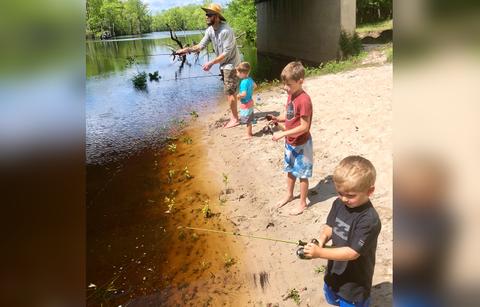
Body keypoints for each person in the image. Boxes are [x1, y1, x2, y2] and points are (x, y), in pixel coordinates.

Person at [304, 156, 382, 307]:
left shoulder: (369, 220)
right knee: (331, 298)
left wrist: (319, 253)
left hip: (355, 282)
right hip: (335, 271)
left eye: (351, 196)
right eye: (340, 193)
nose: (344, 199)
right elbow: (330, 226)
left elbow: (352, 253)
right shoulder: (338, 203)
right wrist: (321, 240)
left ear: (370, 191)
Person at [175, 3, 241, 128]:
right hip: (223, 64)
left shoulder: (226, 31)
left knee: (230, 92)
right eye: (206, 14)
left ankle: (235, 119)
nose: (206, 17)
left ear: (216, 16)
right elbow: (200, 46)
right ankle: (235, 115)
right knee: (229, 91)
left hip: (231, 64)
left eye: (209, 14)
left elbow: (226, 54)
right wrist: (186, 50)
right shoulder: (210, 30)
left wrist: (211, 63)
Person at [270, 61, 313, 215]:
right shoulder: (291, 95)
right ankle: (289, 194)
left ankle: (302, 203)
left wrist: (282, 133)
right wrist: (276, 119)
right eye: (284, 84)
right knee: (290, 170)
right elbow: (288, 116)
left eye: (288, 84)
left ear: (300, 81)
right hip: (290, 142)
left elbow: (304, 127)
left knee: (302, 174)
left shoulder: (304, 100)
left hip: (302, 143)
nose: (285, 87)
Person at [235, 62, 256, 139]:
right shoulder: (250, 79)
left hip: (246, 103)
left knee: (247, 120)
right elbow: (255, 86)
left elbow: (243, 94)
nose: (237, 74)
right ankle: (250, 133)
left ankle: (248, 135)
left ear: (242, 73)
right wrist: (250, 91)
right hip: (250, 101)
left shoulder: (243, 82)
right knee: (249, 118)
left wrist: (238, 96)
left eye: (237, 72)